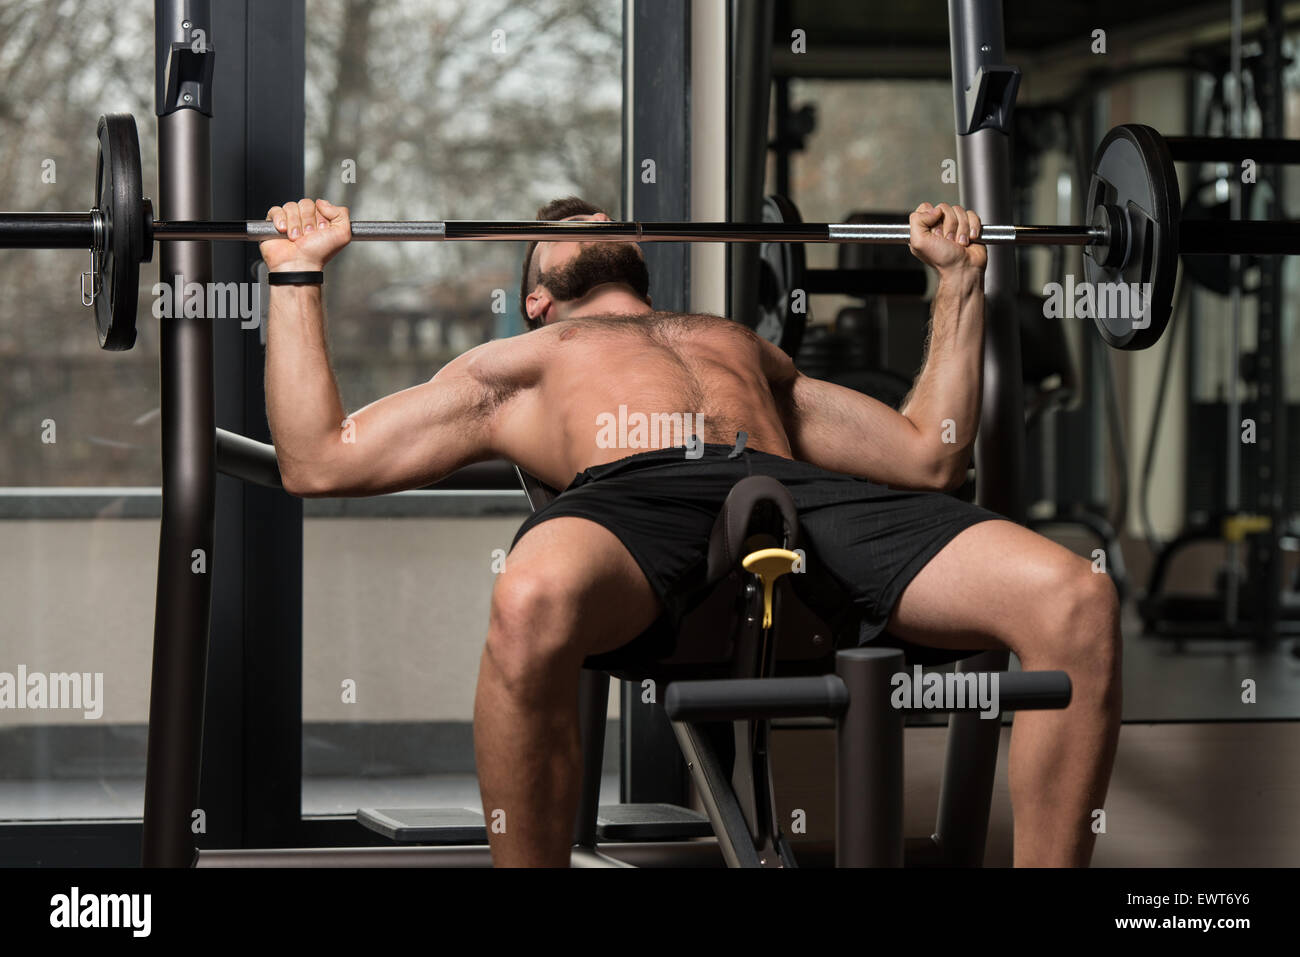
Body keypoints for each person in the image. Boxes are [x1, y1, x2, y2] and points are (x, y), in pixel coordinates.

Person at [258, 195, 1121, 868]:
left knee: (1075, 597)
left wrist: (958, 282)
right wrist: (296, 275)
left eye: (597, 216)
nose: (588, 217)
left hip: (801, 495)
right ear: (535, 295)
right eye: (555, 229)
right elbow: (318, 460)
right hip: (632, 504)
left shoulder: (732, 341)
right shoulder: (515, 366)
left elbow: (927, 455)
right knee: (529, 595)